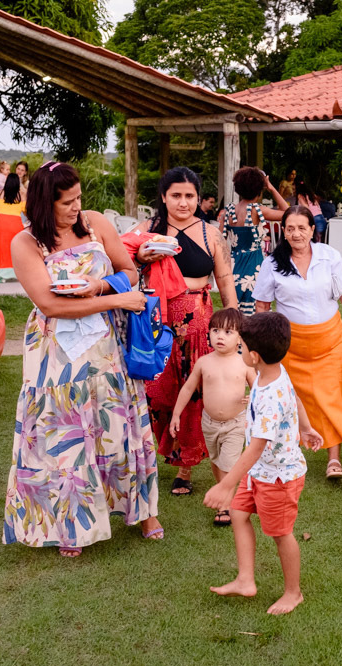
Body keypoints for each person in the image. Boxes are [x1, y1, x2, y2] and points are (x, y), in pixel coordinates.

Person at [2, 161, 162, 557]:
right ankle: (71, 522)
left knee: (117, 422)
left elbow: (129, 271)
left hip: (106, 345)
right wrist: (116, 300)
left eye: (78, 198)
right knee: (65, 432)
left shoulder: (94, 224)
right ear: (45, 203)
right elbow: (50, 305)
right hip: (56, 351)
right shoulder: (25, 243)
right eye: (67, 202)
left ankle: (144, 511)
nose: (77, 207)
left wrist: (100, 285)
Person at [203, 311, 323, 615]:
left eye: (242, 346)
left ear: (254, 356)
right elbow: (295, 398)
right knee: (238, 513)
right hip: (260, 471)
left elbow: (256, 447)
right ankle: (245, 580)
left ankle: (293, 593)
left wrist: (225, 485)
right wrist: (306, 428)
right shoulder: (273, 372)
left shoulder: (270, 396)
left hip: (278, 477)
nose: (239, 349)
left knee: (281, 534)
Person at [126, 167, 238, 495]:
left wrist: (234, 322)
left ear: (198, 198)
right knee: (155, 392)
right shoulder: (147, 231)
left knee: (194, 393)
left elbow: (225, 279)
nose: (183, 202)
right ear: (163, 197)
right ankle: (147, 456)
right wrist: (140, 257)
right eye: (176, 195)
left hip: (197, 324)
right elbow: (122, 266)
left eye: (190, 196)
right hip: (154, 322)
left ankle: (185, 467)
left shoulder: (210, 234)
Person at [253, 206, 342, 481]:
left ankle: (334, 460)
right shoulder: (272, 263)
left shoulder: (329, 256)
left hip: (330, 341)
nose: (296, 234)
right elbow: (262, 305)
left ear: (312, 229)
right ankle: (287, 453)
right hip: (290, 345)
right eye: (290, 228)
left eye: (301, 228)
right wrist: (264, 343)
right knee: (292, 398)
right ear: (284, 231)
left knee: (330, 394)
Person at [170, 307, 255, 527]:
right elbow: (188, 388)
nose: (220, 336)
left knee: (228, 463)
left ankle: (225, 505)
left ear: (240, 338)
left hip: (235, 423)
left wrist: (254, 397)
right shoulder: (204, 362)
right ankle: (223, 490)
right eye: (215, 330)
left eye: (228, 332)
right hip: (209, 423)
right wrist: (176, 415)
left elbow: (258, 388)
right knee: (217, 461)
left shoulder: (244, 363)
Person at [218, 167, 289, 315]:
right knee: (255, 312)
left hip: (234, 264)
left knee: (235, 309)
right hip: (253, 264)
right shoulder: (257, 210)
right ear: (259, 189)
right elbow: (288, 213)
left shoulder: (228, 211)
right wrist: (271, 188)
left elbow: (219, 242)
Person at [0, 173, 25, 282]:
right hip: (15, 223)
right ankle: (16, 273)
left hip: (0, 222)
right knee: (16, 249)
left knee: (1, 249)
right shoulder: (21, 195)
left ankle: (2, 275)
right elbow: (25, 209)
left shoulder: (0, 193)